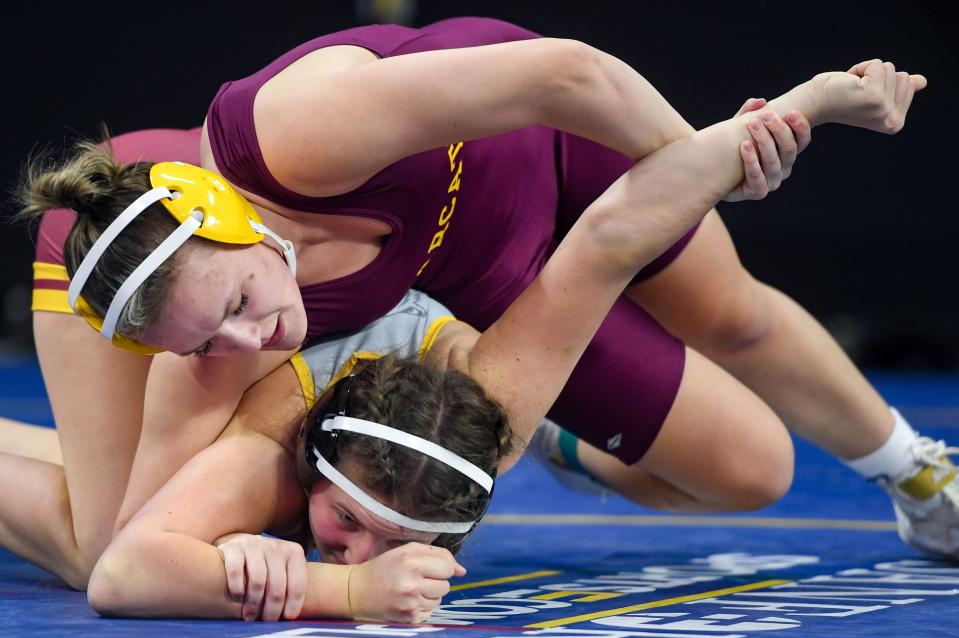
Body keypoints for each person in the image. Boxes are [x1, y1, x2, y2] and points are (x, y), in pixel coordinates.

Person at [8, 17, 943, 601]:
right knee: (111, 546)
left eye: (248, 303)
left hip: (538, 152)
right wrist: (278, 574)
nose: (257, 337)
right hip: (438, 283)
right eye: (218, 340)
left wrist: (712, 159)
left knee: (733, 336)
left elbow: (565, 75)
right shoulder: (206, 338)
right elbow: (132, 563)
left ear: (233, 223)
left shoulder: (292, 138)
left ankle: (919, 477)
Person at [87, 97, 821, 623]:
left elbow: (611, 243)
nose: (364, 557)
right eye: (345, 518)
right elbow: (121, 568)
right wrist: (330, 594)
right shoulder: (243, 404)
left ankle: (563, 443)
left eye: (402, 540)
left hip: (253, 277)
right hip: (130, 241)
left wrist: (788, 117)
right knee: (84, 542)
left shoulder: (495, 404)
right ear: (310, 458)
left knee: (756, 469)